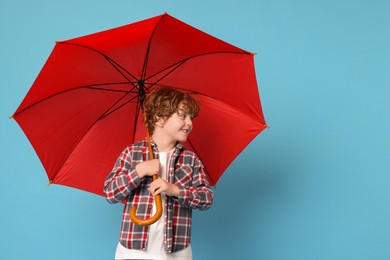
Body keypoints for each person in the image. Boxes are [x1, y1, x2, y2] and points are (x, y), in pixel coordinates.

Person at [104, 87, 214, 260]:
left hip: (177, 252)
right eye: (183, 115)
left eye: (191, 117)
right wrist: (139, 171)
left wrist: (174, 190)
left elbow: (206, 198)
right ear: (159, 119)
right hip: (132, 251)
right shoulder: (132, 153)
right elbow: (110, 192)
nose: (190, 122)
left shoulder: (190, 160)